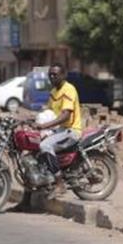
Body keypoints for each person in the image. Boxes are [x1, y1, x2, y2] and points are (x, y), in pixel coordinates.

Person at [38, 64, 83, 193]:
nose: (52, 77)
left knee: (45, 146)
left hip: (71, 131)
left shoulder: (69, 89)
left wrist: (44, 126)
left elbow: (65, 115)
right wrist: (31, 119)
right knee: (34, 150)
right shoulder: (54, 92)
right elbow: (48, 112)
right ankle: (28, 198)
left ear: (63, 75)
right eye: (50, 74)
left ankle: (59, 182)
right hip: (60, 130)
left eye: (55, 74)